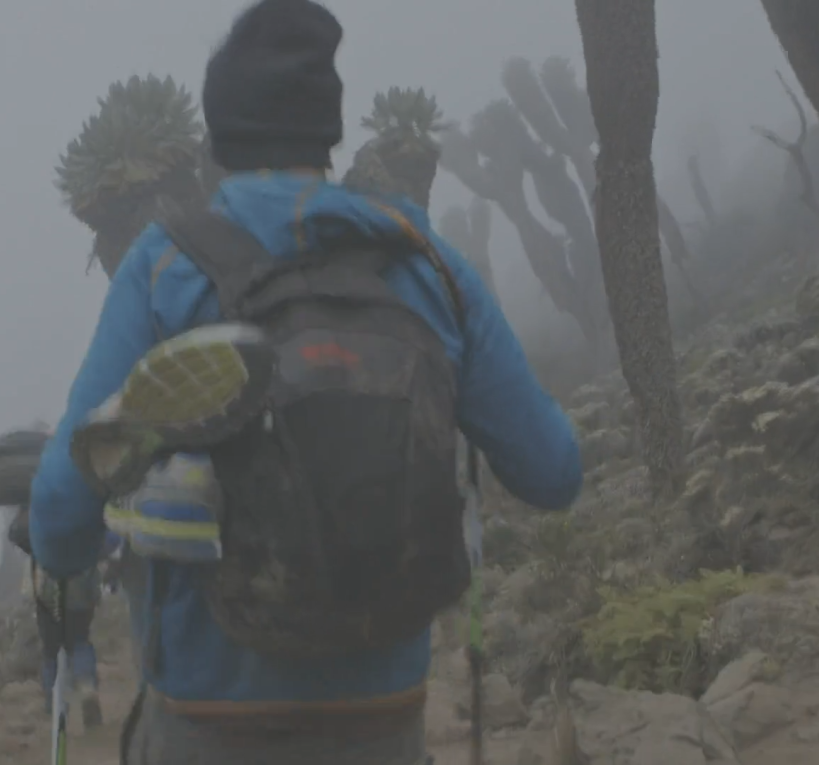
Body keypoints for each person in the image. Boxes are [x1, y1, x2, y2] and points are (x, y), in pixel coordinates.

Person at [29, 0, 583, 762]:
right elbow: (554, 471)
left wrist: (70, 551)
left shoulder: (165, 266)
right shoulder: (428, 266)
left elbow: (60, 507)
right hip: (383, 719)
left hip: (207, 721)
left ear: (217, 141)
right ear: (329, 132)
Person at [28, 527, 122, 728]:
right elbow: (112, 544)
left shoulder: (44, 517)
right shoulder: (85, 516)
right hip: (81, 590)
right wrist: (105, 586)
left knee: (51, 650)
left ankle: (55, 702)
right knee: (79, 641)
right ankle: (87, 687)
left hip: (50, 591)